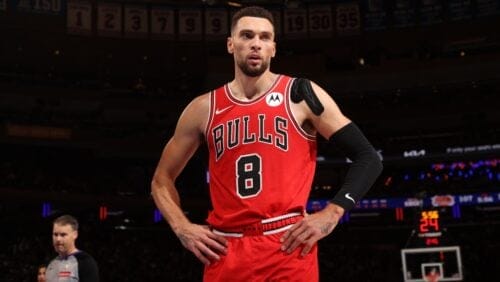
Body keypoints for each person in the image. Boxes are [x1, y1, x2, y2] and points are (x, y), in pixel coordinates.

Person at [151, 5, 383, 281]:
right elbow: (161, 180)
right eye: (247, 36)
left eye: (264, 37)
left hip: (287, 244)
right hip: (225, 249)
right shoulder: (203, 108)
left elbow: (368, 158)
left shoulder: (300, 95)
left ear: (273, 48)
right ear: (230, 44)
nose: (255, 44)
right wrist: (183, 228)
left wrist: (333, 213)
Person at [45, 215, 99, 282]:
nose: (58, 239)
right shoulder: (51, 264)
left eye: (63, 235)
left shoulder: (85, 262)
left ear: (75, 235)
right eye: (55, 234)